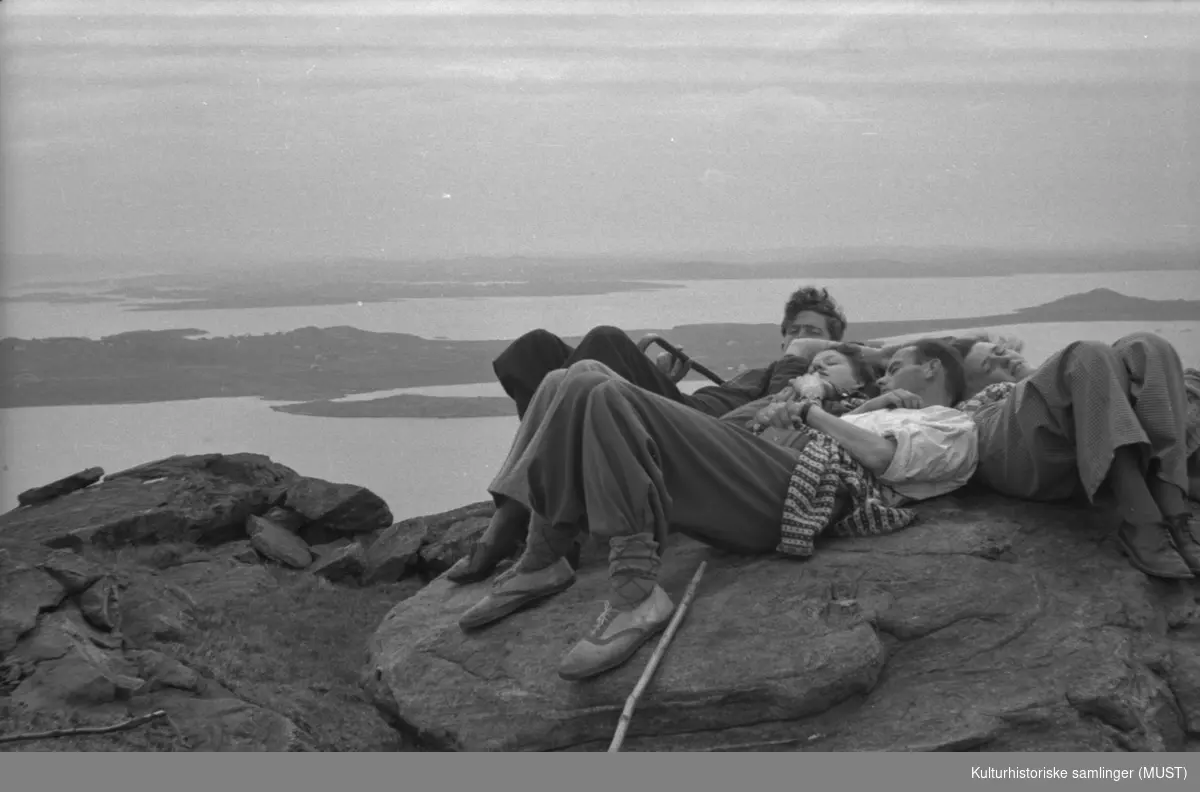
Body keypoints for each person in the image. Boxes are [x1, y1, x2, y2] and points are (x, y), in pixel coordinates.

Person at [455, 339, 978, 682]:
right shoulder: (869, 406)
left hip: (796, 489)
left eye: (893, 369)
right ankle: (544, 552)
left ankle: (637, 591)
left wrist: (811, 409)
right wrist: (853, 405)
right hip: (762, 464)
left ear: (932, 369)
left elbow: (882, 458)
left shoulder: (950, 423)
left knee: (603, 390)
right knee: (569, 376)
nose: (883, 378)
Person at [447, 285, 858, 584]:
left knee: (603, 341)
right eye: (795, 330)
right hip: (682, 414)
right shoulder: (759, 370)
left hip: (707, 437)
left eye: (813, 333)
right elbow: (719, 404)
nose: (801, 338)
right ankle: (545, 504)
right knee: (532, 350)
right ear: (783, 334)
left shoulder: (816, 379)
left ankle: (512, 520)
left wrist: (799, 361)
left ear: (834, 344)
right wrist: (661, 381)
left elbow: (770, 415)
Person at [948, 331, 1200, 579]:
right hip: (1008, 441)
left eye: (1000, 351)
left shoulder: (1085, 375)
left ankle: (1173, 509)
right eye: (989, 366)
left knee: (1148, 345)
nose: (1006, 360)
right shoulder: (978, 405)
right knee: (1085, 355)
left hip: (1071, 440)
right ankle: (1141, 517)